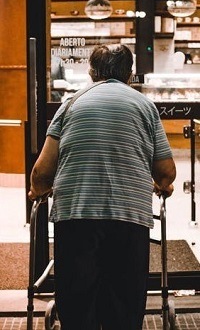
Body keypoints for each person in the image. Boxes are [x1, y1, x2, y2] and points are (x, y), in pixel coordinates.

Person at [28, 44, 176, 330]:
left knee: (77, 301)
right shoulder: (144, 106)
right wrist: (163, 184)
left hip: (76, 215)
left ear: (91, 72)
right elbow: (166, 170)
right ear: (130, 74)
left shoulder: (70, 104)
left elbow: (42, 171)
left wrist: (40, 189)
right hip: (129, 215)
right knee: (124, 300)